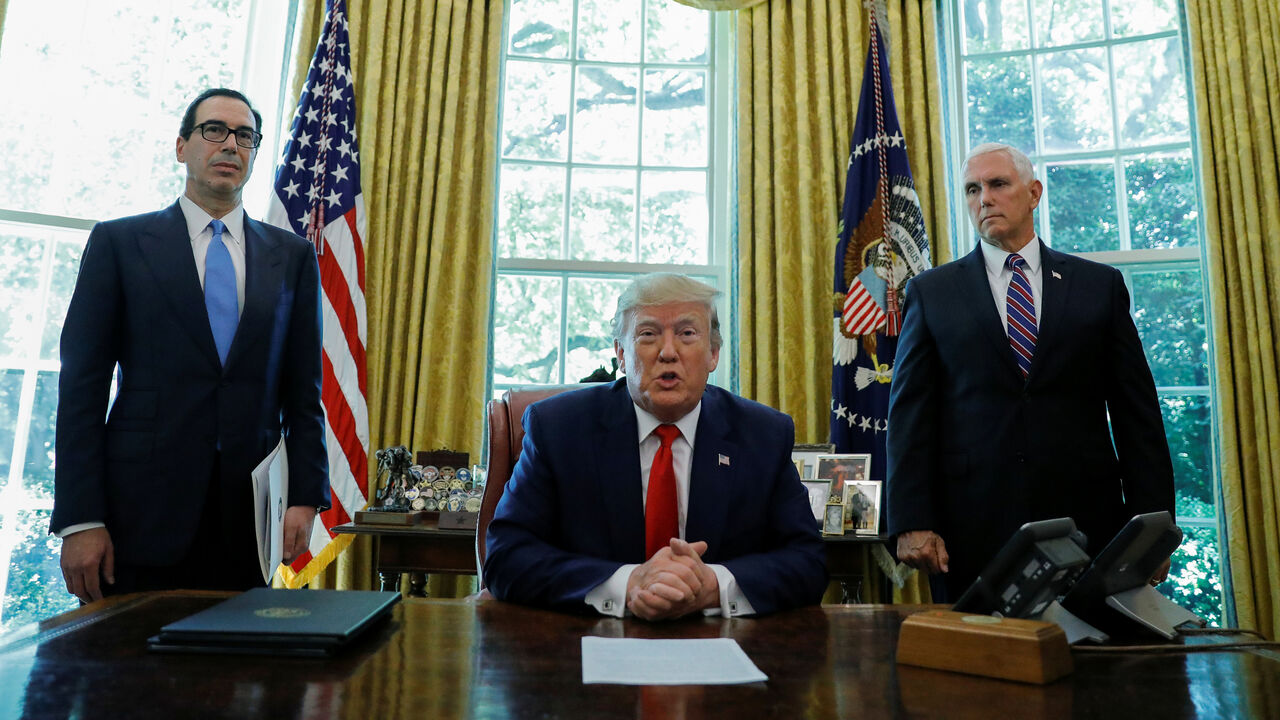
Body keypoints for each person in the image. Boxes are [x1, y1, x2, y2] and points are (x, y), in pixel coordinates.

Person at [51, 88, 330, 602]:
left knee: (235, 677)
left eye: (244, 136)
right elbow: (81, 390)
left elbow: (303, 394)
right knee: (129, 676)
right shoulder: (120, 243)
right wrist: (80, 519)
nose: (230, 145)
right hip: (138, 515)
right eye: (214, 131)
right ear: (182, 147)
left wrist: (307, 497)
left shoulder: (290, 257)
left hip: (249, 521)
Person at [886, 142, 1174, 602]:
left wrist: (1154, 528)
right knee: (980, 667)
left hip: (1089, 524)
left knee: (1098, 667)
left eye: (998, 184)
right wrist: (910, 520)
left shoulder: (1097, 287)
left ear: (1034, 193)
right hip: (970, 528)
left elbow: (1137, 414)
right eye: (972, 189)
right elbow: (909, 418)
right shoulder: (932, 292)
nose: (984, 198)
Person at [483, 273, 826, 620]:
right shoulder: (558, 428)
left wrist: (714, 586)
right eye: (648, 335)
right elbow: (506, 555)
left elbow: (807, 560)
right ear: (620, 352)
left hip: (723, 644)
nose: (667, 352)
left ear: (713, 354)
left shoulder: (763, 434)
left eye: (687, 334)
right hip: (587, 643)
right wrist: (627, 584)